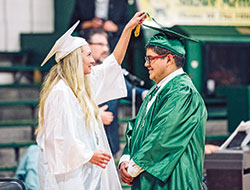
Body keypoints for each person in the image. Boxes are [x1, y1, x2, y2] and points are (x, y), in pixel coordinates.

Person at [35, 12, 146, 190]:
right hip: (66, 177)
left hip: (85, 171)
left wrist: (127, 29)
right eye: (88, 55)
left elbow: (112, 64)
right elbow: (57, 138)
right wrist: (87, 154)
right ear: (74, 59)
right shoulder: (60, 92)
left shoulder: (82, 86)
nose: (93, 61)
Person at [119, 24, 208, 189]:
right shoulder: (157, 89)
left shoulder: (182, 92)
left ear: (168, 59)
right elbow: (137, 126)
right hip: (147, 174)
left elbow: (163, 137)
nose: (146, 64)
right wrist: (126, 158)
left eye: (150, 58)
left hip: (174, 180)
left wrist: (132, 168)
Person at [82, 28, 148, 155]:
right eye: (100, 44)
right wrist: (94, 116)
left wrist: (147, 94)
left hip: (110, 140)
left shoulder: (110, 73)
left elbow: (131, 90)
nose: (106, 49)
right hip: (88, 144)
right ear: (87, 46)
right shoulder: (79, 75)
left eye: (107, 44)